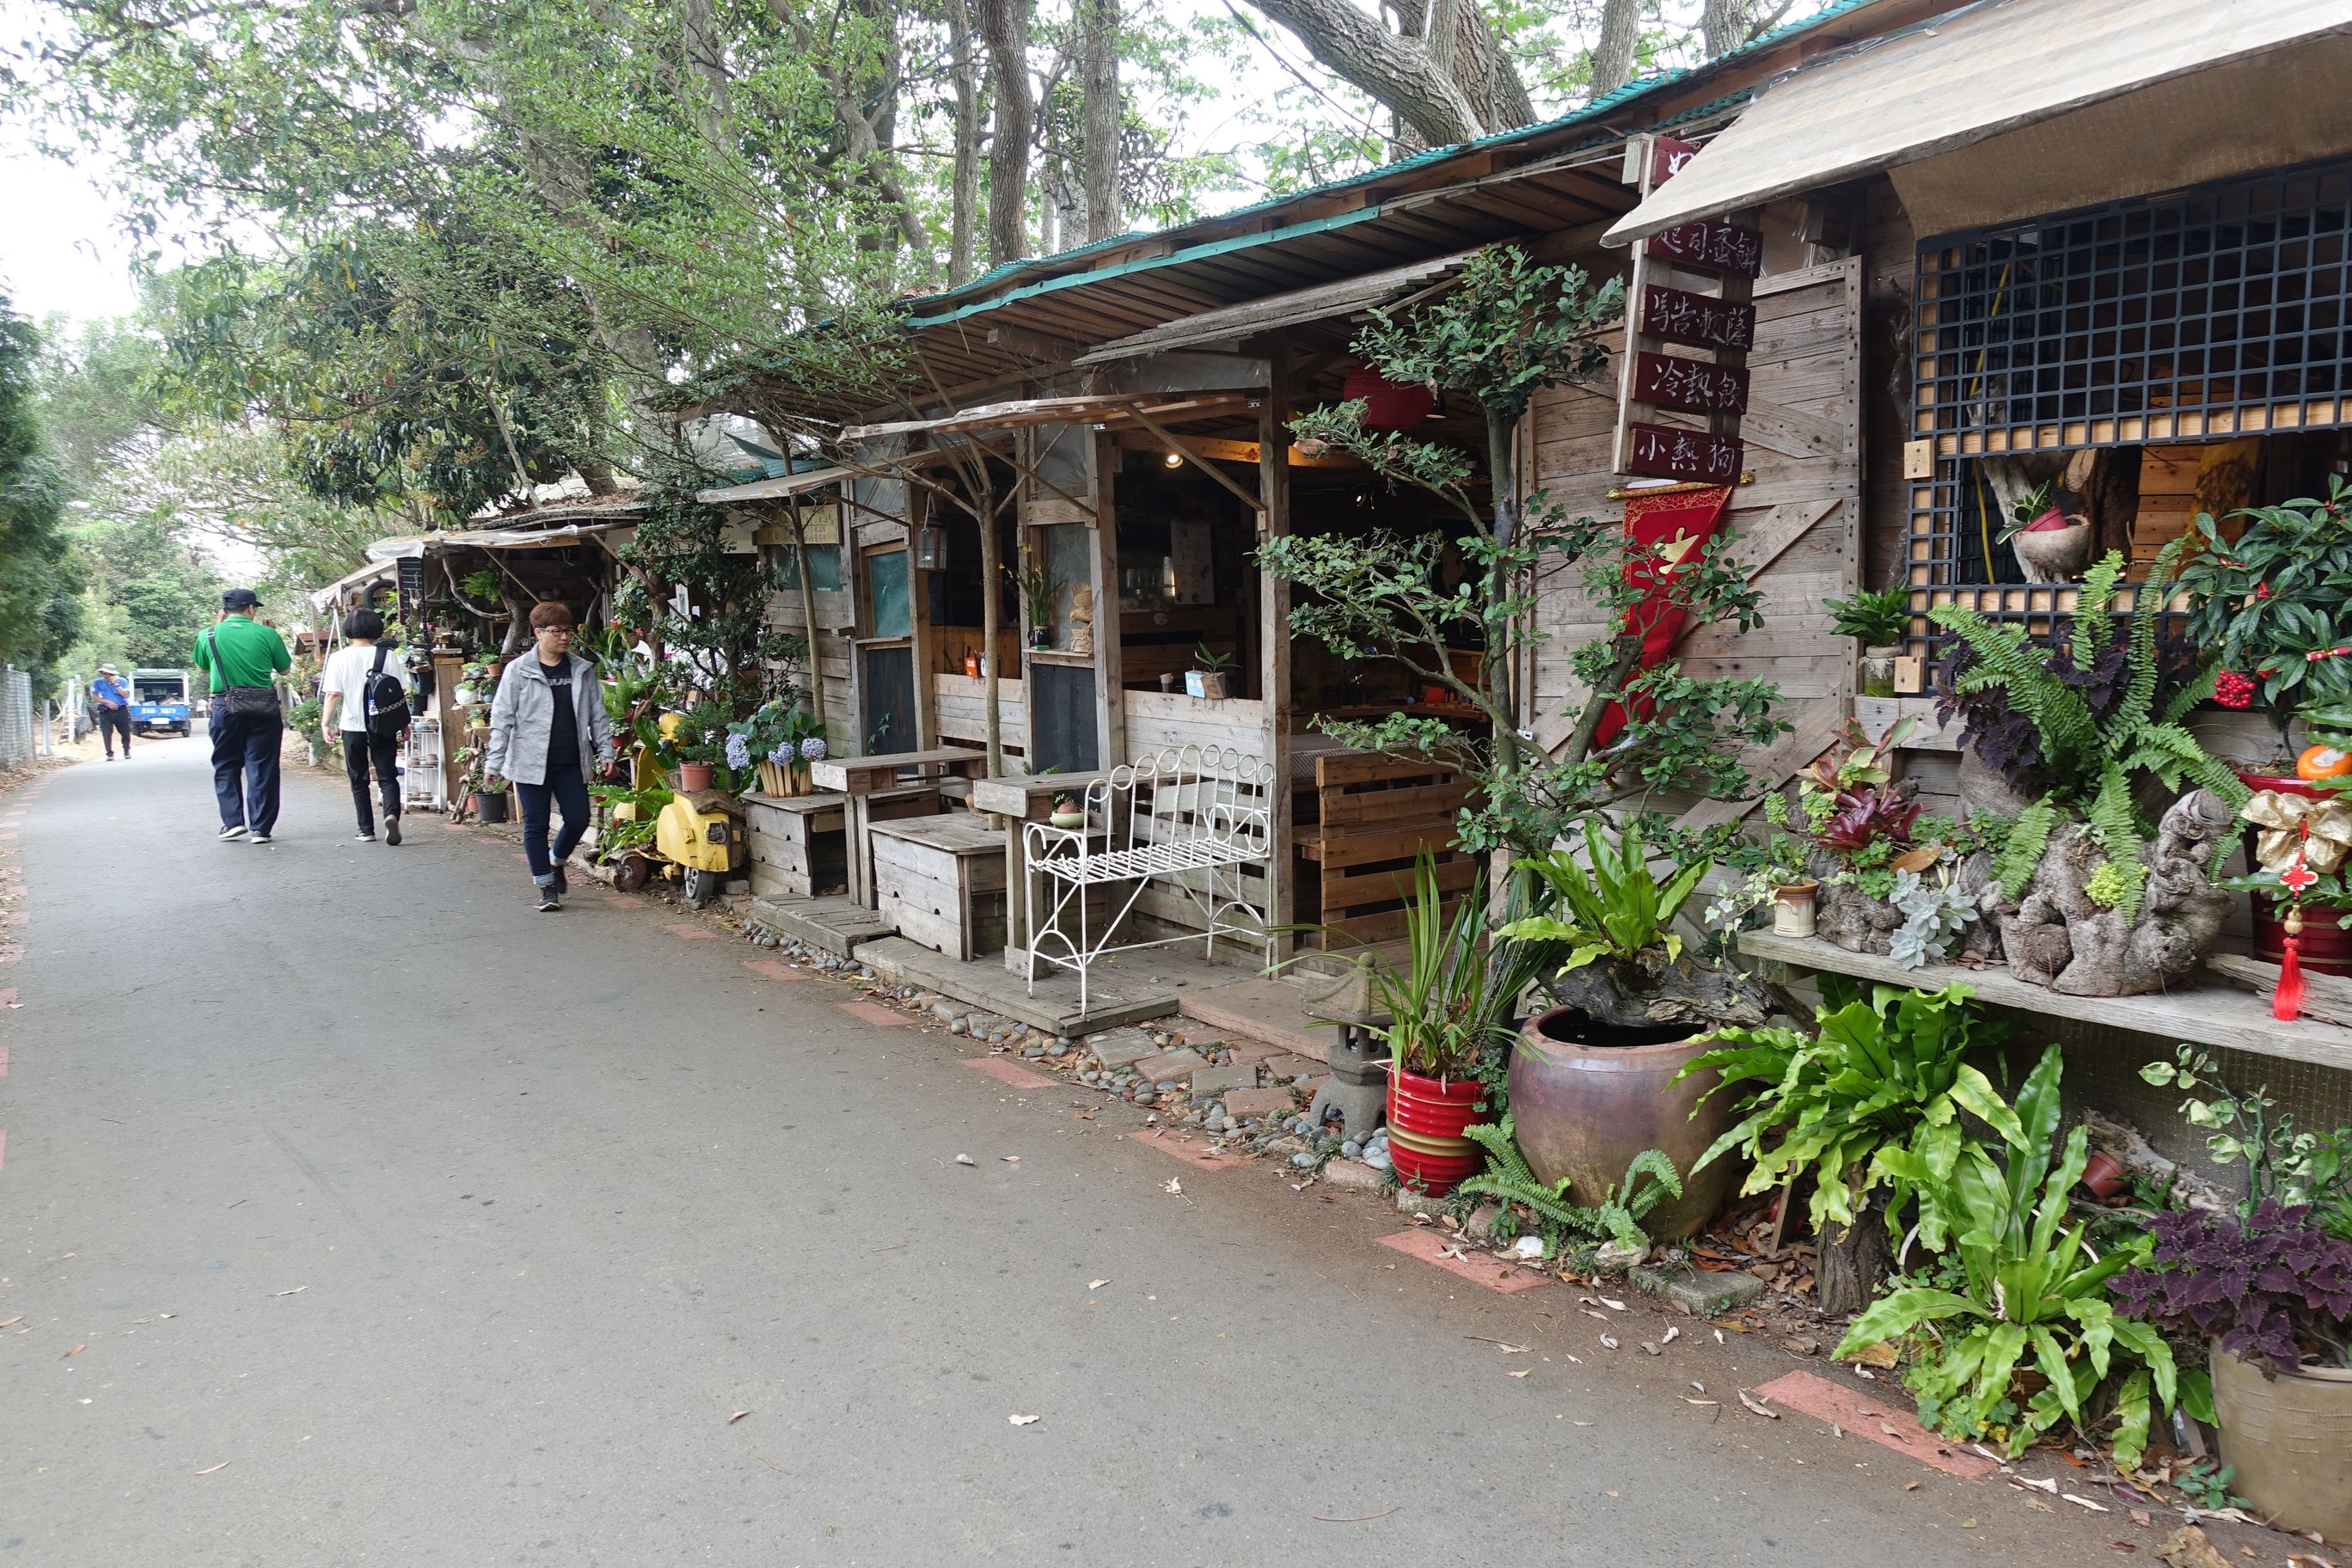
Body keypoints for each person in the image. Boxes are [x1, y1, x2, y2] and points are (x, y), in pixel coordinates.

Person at [486, 602, 611, 910]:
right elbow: (502, 719)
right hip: (530, 762)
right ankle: (545, 886)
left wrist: (606, 751)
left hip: (571, 759)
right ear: (538, 633)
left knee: (579, 818)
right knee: (535, 824)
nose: (565, 637)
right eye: (557, 631)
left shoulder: (581, 670)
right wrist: (494, 762)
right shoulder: (518, 671)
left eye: (568, 630)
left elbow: (599, 716)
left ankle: (556, 860)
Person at [193, 587, 292, 844]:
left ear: (224, 611)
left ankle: (232, 822)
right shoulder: (267, 633)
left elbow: (203, 668)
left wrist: (216, 628)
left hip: (225, 705)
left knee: (226, 763)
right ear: (251, 609)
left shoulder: (208, 634)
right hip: (263, 708)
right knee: (262, 766)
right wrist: (271, 633)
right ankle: (261, 828)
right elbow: (284, 669)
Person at [319, 609, 411, 845]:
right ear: (376, 628)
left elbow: (333, 694)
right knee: (387, 775)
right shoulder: (386, 656)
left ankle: (366, 830)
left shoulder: (339, 658)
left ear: (349, 629)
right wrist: (404, 724)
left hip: (352, 726)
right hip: (383, 725)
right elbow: (398, 694)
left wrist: (326, 723)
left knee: (358, 779)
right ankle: (390, 814)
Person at [90, 664, 132, 760]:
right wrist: (108, 702)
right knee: (106, 733)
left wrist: (116, 684)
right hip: (106, 710)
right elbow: (94, 697)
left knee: (125, 732)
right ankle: (109, 753)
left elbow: (126, 695)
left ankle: (126, 750)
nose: (105, 675)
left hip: (121, 710)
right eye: (103, 673)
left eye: (107, 673)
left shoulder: (122, 681)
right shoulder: (98, 682)